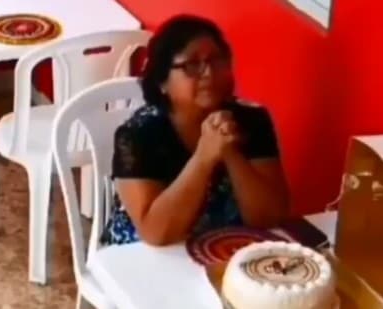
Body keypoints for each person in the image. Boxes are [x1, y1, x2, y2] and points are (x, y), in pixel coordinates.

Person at [101, 14, 290, 246]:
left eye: (217, 60)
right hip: (144, 253)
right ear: (162, 82)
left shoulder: (252, 120)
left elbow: (269, 217)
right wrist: (204, 157)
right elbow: (156, 233)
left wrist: (230, 151)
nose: (209, 73)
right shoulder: (138, 135)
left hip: (221, 247)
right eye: (192, 65)